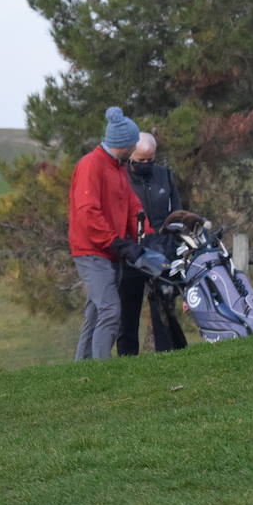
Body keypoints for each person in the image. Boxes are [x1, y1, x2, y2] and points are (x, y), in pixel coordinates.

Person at [68, 107, 167, 361]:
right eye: (133, 143)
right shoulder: (92, 165)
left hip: (109, 251)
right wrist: (117, 243)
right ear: (122, 144)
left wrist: (148, 235)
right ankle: (103, 370)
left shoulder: (117, 167)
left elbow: (132, 205)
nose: (135, 147)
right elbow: (88, 212)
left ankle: (82, 368)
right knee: (111, 311)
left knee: (95, 313)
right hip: (92, 251)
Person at [116, 132, 188, 355]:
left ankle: (168, 355)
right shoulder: (121, 178)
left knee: (164, 307)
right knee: (128, 308)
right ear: (130, 157)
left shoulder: (165, 175)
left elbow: (176, 212)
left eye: (150, 159)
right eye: (141, 160)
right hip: (131, 251)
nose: (146, 164)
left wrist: (176, 245)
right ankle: (127, 358)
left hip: (162, 250)